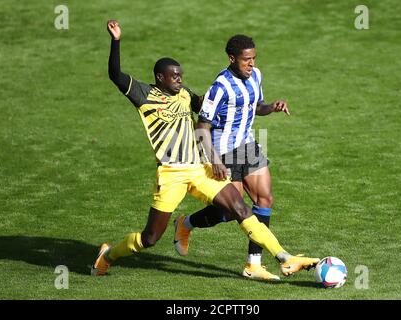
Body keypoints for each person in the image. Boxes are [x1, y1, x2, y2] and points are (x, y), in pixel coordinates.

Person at [91, 20, 320, 277]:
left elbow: (214, 112)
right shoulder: (144, 95)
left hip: (198, 169)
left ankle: (284, 257)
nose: (179, 80)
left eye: (181, 75)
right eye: (174, 76)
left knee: (240, 209)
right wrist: (116, 40)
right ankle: (108, 255)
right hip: (171, 174)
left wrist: (252, 115)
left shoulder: (185, 95)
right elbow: (115, 75)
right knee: (151, 237)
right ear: (160, 78)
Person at [173, 35, 291, 281]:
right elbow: (202, 126)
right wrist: (214, 159)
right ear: (232, 58)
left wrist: (272, 107)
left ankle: (253, 265)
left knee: (264, 198)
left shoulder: (256, 75)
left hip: (247, 145)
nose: (251, 64)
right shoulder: (220, 87)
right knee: (229, 212)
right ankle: (185, 224)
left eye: (253, 58)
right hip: (222, 152)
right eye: (246, 59)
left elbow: (256, 106)